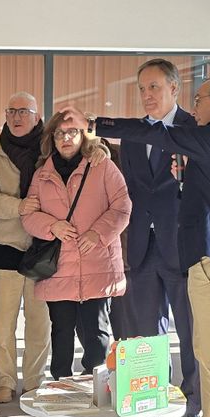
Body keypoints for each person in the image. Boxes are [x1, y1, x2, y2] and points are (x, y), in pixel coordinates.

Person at [96, 79, 210, 417]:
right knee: (206, 351)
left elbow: (160, 132)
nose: (193, 106)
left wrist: (96, 124)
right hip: (207, 258)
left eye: (198, 99)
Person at [108, 59, 202, 417]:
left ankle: (194, 406)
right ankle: (148, 399)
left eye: (155, 87)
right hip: (141, 246)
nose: (147, 95)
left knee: (191, 332)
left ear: (174, 88)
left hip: (182, 246)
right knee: (144, 332)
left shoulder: (194, 130)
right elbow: (130, 188)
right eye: (142, 89)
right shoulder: (133, 135)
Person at [24, 108, 131, 380]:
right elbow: (28, 217)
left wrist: (97, 233)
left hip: (97, 265)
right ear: (52, 138)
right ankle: (61, 390)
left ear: (83, 135)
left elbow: (122, 207)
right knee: (61, 337)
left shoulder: (102, 166)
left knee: (97, 336)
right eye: (59, 133)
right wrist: (52, 226)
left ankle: (97, 389)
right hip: (59, 269)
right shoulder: (42, 175)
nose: (66, 139)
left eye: (72, 132)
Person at [0, 92, 53, 403]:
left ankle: (34, 381)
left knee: (39, 322)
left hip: (43, 247)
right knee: (1, 324)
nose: (16, 117)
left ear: (36, 116)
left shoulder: (50, 152)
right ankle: (4, 381)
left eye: (23, 111)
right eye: (11, 111)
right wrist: (19, 206)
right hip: (5, 245)